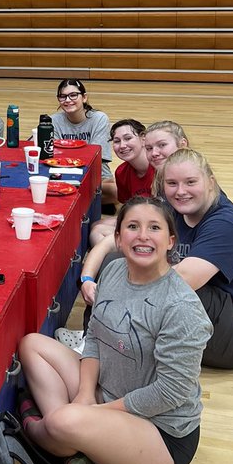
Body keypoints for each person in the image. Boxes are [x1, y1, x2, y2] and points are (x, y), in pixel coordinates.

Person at [18, 197, 212, 464]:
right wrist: (85, 394)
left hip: (159, 432)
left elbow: (169, 393)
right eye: (133, 226)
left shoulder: (180, 307)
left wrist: (95, 411)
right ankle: (75, 444)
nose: (143, 235)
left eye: (154, 228)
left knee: (62, 420)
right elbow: (95, 335)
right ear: (119, 239)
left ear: (171, 241)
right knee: (32, 344)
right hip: (105, 394)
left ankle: (35, 432)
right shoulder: (114, 270)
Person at [62, 120, 191, 347]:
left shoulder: (178, 192)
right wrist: (86, 279)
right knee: (107, 251)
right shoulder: (147, 181)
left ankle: (101, 337)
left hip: (176, 268)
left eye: (161, 146)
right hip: (162, 251)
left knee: (116, 265)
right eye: (151, 148)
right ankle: (91, 336)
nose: (154, 153)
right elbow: (120, 227)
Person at [158, 149, 233, 369]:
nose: (181, 191)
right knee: (119, 262)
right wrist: (87, 278)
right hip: (215, 315)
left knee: (171, 287)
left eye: (190, 182)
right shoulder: (173, 211)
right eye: (172, 183)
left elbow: (183, 280)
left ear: (211, 182)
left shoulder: (225, 224)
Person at [51, 78, 115, 204]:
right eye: (62, 97)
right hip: (65, 173)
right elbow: (55, 156)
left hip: (97, 175)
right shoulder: (53, 121)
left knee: (116, 193)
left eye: (73, 95)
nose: (68, 100)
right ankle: (87, 201)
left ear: (84, 97)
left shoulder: (99, 118)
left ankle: (76, 200)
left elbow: (97, 157)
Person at [88, 119, 152, 245]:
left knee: (99, 232)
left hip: (159, 223)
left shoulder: (159, 166)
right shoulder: (121, 172)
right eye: (117, 141)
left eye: (128, 138)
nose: (122, 145)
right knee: (96, 225)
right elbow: (126, 206)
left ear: (143, 138)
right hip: (139, 218)